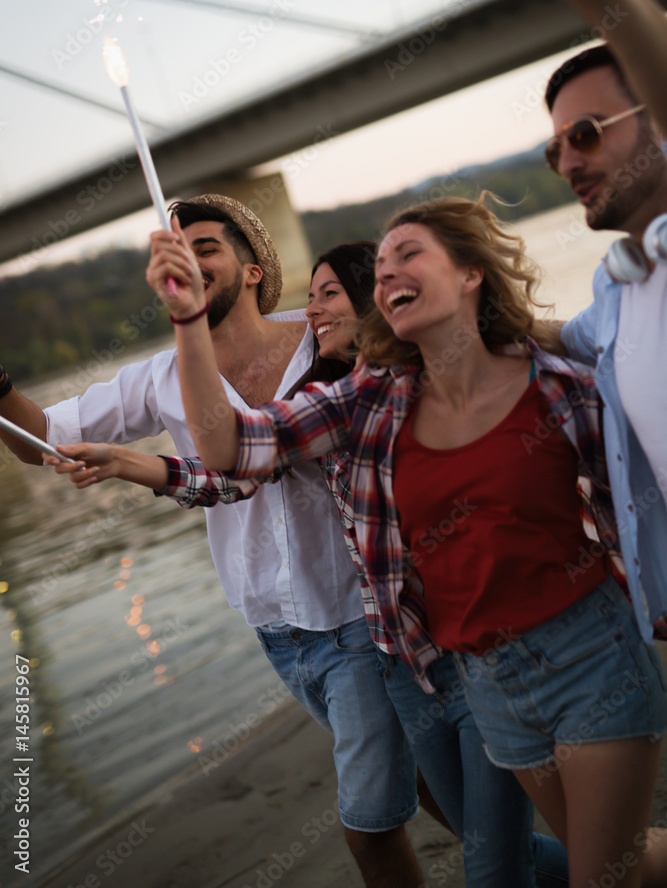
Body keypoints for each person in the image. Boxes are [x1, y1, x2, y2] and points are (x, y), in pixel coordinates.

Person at [151, 193, 667, 888]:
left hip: (588, 655)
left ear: (469, 272)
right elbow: (230, 447)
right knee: (610, 863)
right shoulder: (370, 400)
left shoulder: (559, 389)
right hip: (483, 680)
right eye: (381, 263)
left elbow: (640, 496)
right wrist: (187, 319)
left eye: (408, 254)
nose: (387, 271)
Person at [49, 239, 570, 888]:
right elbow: (235, 468)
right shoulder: (342, 403)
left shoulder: (441, 382)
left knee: (488, 862)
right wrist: (126, 459)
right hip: (408, 664)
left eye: (328, 295)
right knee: (498, 849)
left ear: (371, 305)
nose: (311, 311)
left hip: (481, 653)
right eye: (309, 296)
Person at [0, 196, 425, 888]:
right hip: (277, 631)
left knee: (369, 823)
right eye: (176, 252)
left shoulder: (323, 331)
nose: (189, 264)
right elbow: (40, 438)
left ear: (253, 269)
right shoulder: (161, 376)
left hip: (361, 615)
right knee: (440, 797)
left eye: (206, 249)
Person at [484, 0, 667, 642]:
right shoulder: (618, 282)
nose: (565, 160)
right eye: (554, 146)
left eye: (585, 134)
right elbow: (574, 336)